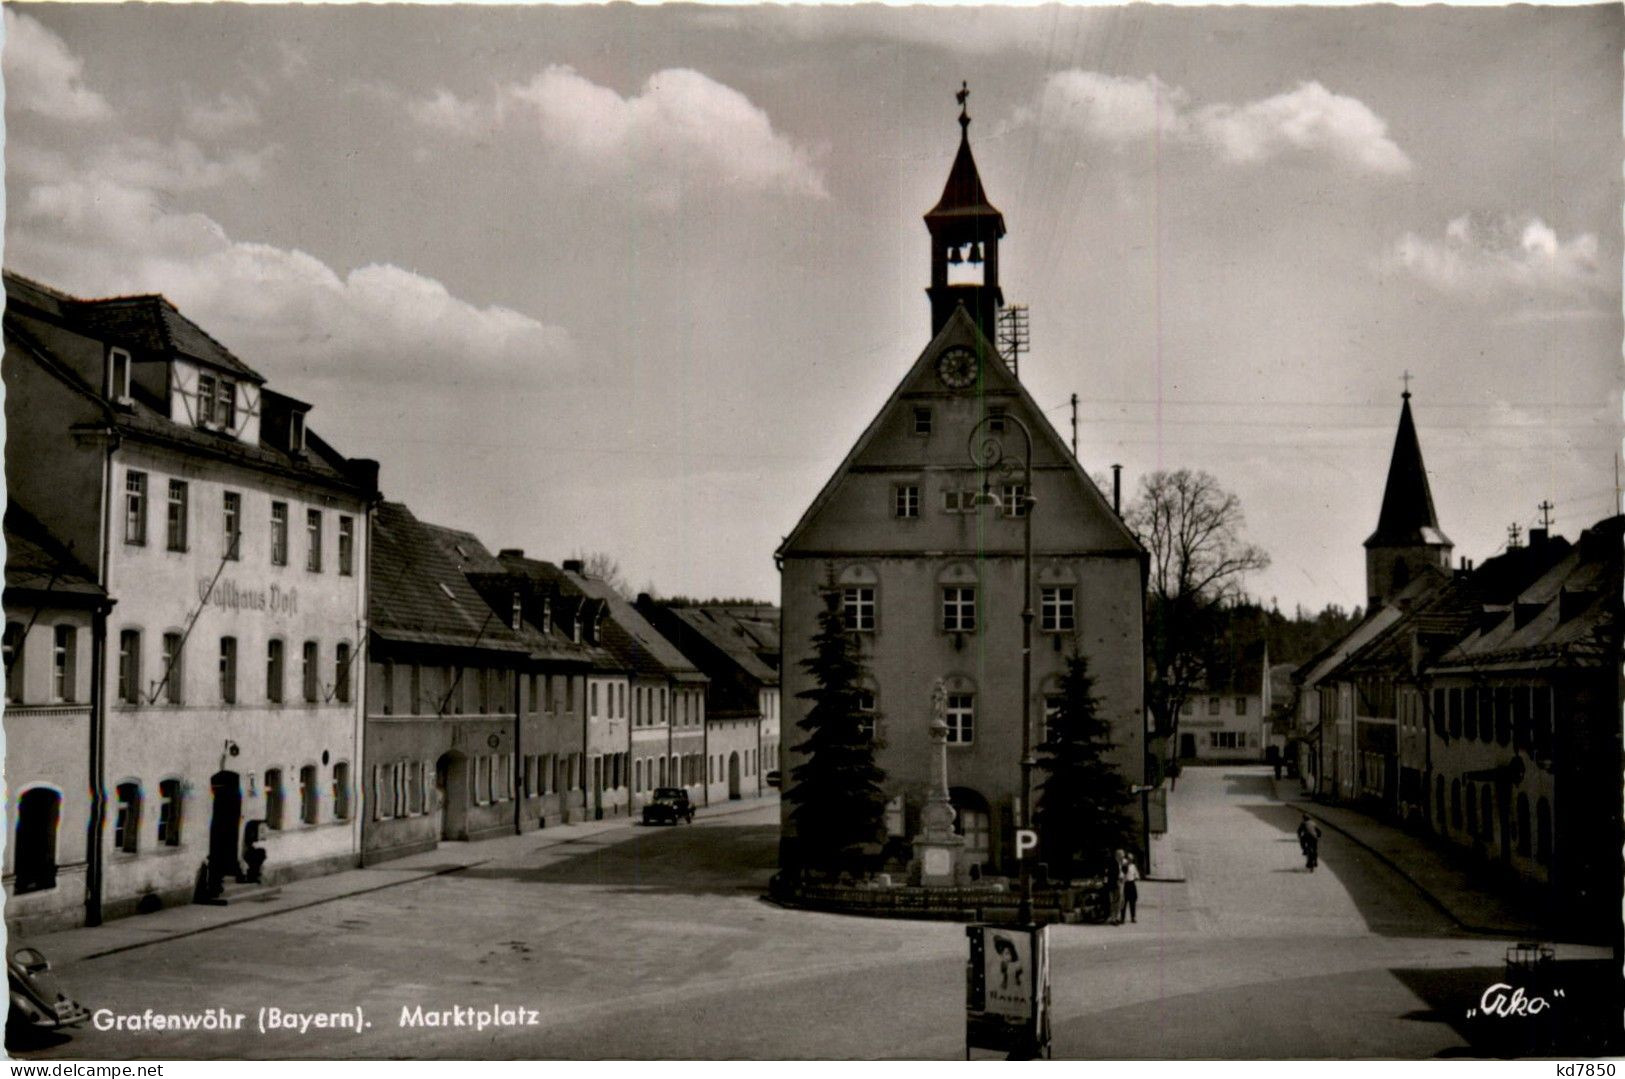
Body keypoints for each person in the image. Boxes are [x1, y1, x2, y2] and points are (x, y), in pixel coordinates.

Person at [1105, 849, 1123, 924]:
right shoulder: (1113, 863)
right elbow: (1111, 874)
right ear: (1118, 855)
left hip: (1117, 884)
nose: (1123, 856)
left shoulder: (1119, 863)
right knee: (1114, 901)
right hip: (1114, 885)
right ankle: (1113, 918)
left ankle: (1116, 917)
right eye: (1122, 855)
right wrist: (1117, 880)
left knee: (1118, 902)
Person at [1122, 852, 1140, 923]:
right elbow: (1122, 875)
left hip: (1131, 883)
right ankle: (1122, 918)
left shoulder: (1133, 866)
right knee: (1124, 901)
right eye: (1128, 858)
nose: (1130, 860)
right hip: (1125, 884)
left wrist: (1136, 877)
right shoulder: (1123, 866)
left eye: (1131, 859)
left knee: (1132, 901)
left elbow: (1137, 875)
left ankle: (1133, 917)